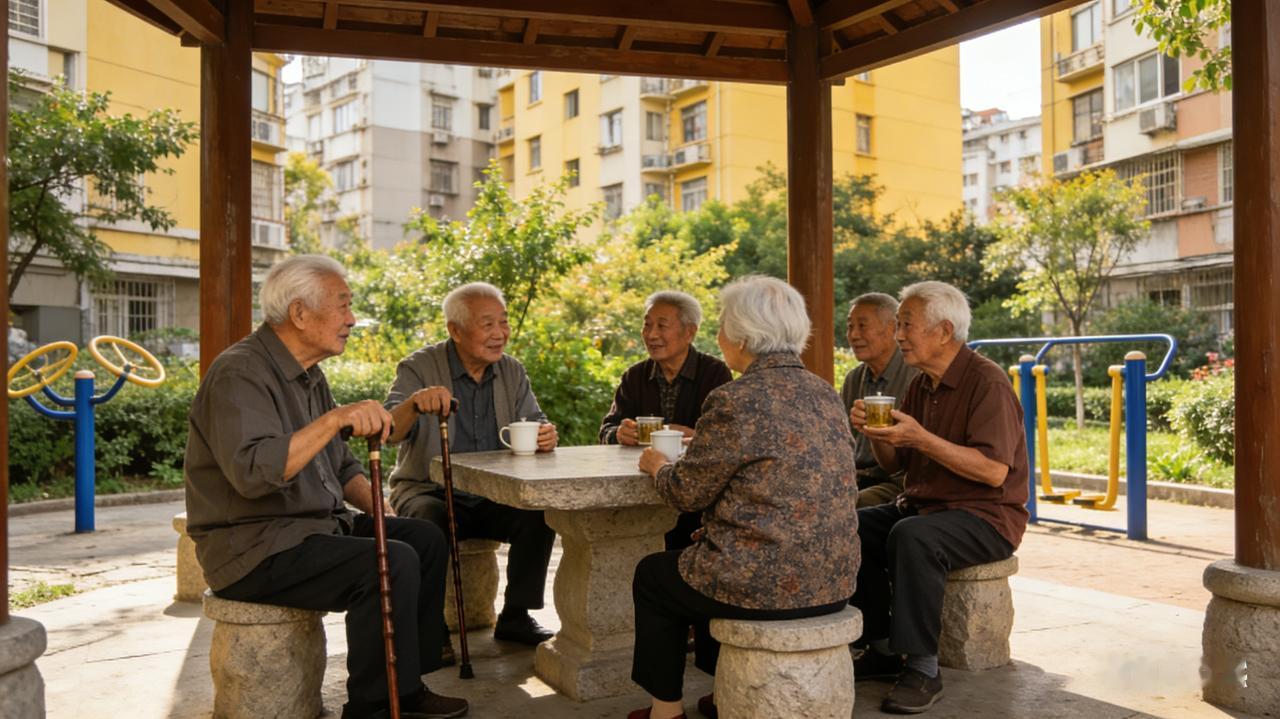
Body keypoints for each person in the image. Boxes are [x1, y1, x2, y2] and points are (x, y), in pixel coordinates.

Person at [183, 255, 468, 719]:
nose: (352, 319)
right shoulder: (239, 373)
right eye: (343, 306)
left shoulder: (311, 375)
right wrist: (337, 418)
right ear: (299, 313)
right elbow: (254, 474)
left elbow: (341, 465)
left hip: (312, 529)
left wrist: (379, 509)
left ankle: (406, 683)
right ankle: (375, 706)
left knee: (423, 538)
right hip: (254, 547)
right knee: (390, 563)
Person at [628, 276, 859, 719]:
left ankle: (665, 711)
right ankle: (722, 693)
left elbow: (686, 492)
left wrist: (658, 466)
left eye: (721, 325)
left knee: (655, 576)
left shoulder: (734, 399)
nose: (719, 336)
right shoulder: (826, 393)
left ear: (742, 336)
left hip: (765, 586)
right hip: (834, 579)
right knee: (708, 556)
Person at [848, 280, 1029, 715]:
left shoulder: (987, 381)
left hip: (987, 517)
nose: (899, 336)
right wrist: (878, 435)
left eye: (907, 325)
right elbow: (895, 467)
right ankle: (883, 648)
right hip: (926, 506)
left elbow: (992, 470)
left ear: (944, 331)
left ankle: (924, 669)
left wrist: (922, 438)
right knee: (849, 525)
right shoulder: (922, 384)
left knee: (914, 536)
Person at [385, 282, 558, 648]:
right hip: (427, 488)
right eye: (488, 324)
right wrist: (415, 404)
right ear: (455, 330)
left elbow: (535, 420)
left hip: (493, 493)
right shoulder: (419, 367)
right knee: (427, 525)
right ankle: (429, 629)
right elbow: (389, 432)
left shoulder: (511, 371)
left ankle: (516, 614)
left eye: (504, 322)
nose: (500, 334)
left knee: (539, 515)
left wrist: (545, 436)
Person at [598, 290, 733, 549]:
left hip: (693, 497)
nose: (651, 335)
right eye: (647, 325)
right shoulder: (635, 376)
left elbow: (726, 441)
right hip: (638, 492)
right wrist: (618, 434)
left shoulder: (714, 374)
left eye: (662, 326)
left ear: (689, 332)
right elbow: (606, 428)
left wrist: (686, 434)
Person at [839, 293, 919, 507]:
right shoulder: (854, 379)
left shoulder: (916, 375)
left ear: (893, 329)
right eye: (849, 327)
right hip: (854, 479)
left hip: (896, 482)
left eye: (862, 326)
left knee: (846, 508)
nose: (853, 335)